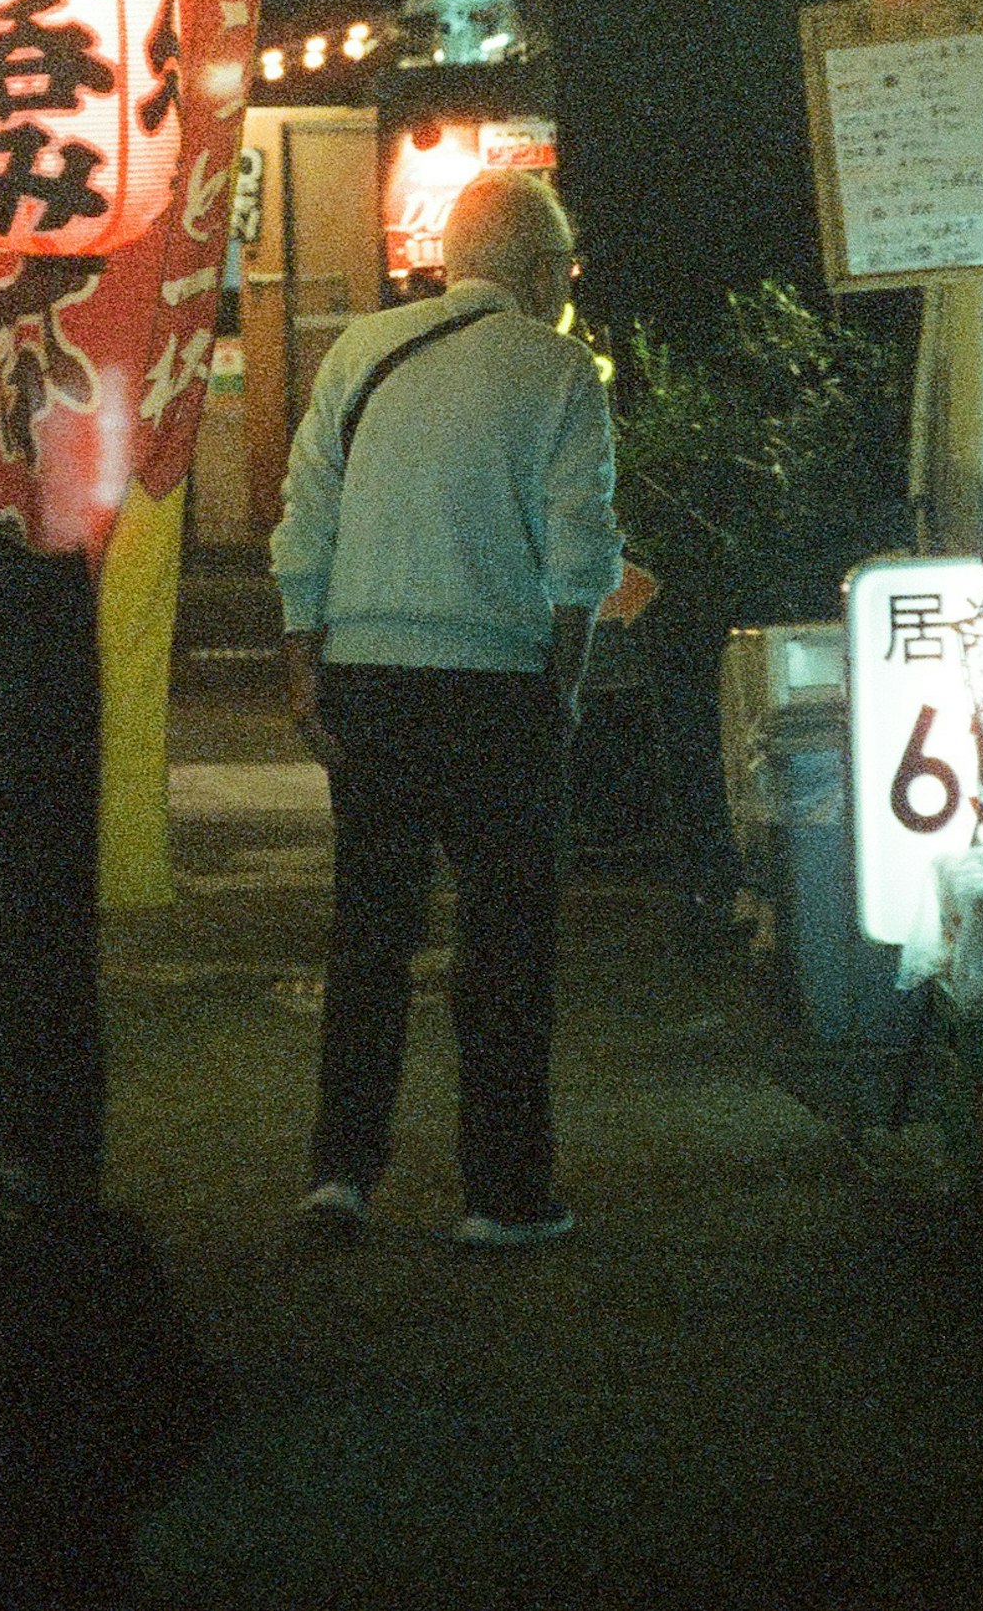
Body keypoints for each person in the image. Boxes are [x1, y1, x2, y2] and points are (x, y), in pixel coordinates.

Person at [267, 168, 621, 1250]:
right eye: (563, 268)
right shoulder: (560, 370)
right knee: (505, 946)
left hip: (368, 676)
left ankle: (340, 1175)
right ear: (543, 271)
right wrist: (561, 686)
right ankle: (503, 1192)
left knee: (369, 936)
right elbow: (580, 552)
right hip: (495, 687)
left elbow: (305, 519)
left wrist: (303, 666)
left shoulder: (358, 353)